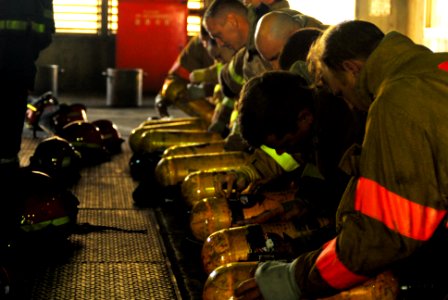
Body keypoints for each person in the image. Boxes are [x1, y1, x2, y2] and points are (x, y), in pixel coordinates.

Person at [234, 20, 448, 300]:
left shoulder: (393, 104)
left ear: (352, 69)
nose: (346, 103)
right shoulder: (435, 67)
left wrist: (293, 279)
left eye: (340, 92)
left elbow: (384, 234)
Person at [0, 0, 55, 174]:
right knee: (13, 109)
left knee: (12, 107)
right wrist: (28, 50)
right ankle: (7, 161)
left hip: (19, 60)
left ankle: (7, 159)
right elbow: (46, 31)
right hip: (20, 61)